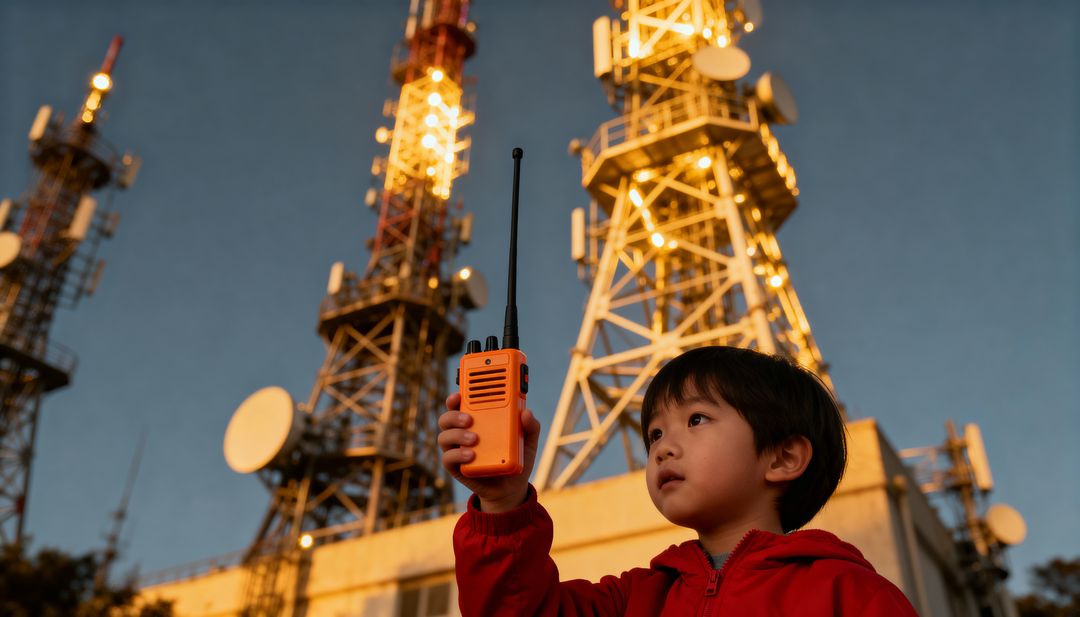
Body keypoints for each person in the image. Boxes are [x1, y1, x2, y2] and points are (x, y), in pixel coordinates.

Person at [438, 346, 919, 616]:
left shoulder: (849, 595)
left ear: (783, 457)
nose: (663, 447)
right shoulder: (635, 600)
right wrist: (502, 502)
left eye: (697, 420)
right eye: (654, 434)